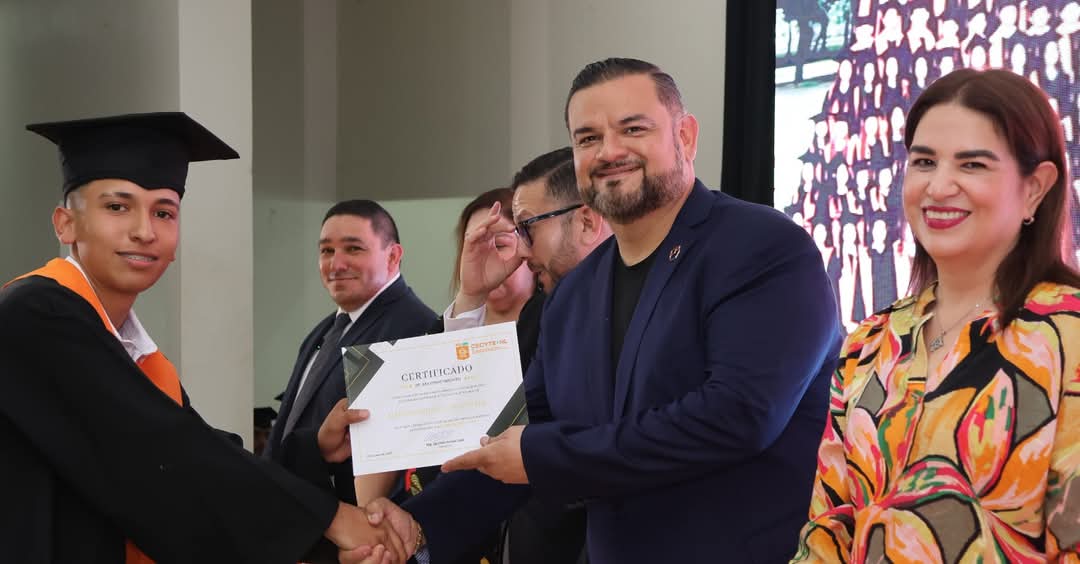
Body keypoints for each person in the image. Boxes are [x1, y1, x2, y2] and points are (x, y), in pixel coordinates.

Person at [344, 58, 842, 564]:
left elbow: (737, 416)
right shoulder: (574, 293)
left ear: (685, 137)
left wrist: (542, 455)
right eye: (587, 138)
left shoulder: (763, 247)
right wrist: (419, 526)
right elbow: (522, 430)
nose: (609, 152)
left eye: (633, 129)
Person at [0, 112, 405, 563]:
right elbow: (164, 455)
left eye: (164, 212)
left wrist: (312, 454)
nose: (144, 231)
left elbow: (202, 454)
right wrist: (333, 522)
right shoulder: (33, 312)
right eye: (117, 207)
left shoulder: (131, 351)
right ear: (65, 224)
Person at [792, 68, 1080, 562]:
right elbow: (829, 524)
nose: (939, 186)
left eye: (972, 165)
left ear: (1035, 187)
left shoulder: (1067, 333)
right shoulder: (870, 341)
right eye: (924, 162)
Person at [264, 199, 436, 504]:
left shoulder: (413, 330)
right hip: (295, 511)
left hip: (353, 521)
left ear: (393, 256)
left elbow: (398, 462)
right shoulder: (326, 329)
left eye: (353, 249)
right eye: (327, 251)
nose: (336, 264)